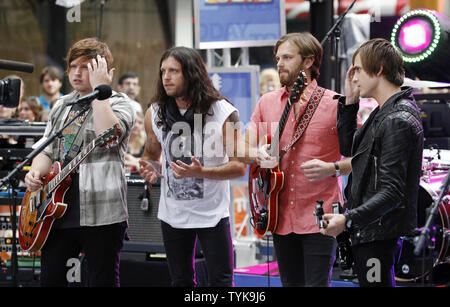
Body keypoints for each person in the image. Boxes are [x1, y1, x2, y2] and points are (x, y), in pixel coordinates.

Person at [239, 32, 352, 287]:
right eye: (278, 58)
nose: (279, 63)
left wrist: (333, 168)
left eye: (287, 57)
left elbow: (363, 157)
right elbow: (242, 146)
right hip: (279, 216)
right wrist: (256, 154)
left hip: (320, 216)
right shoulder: (267, 102)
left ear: (308, 61)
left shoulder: (335, 103)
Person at [23, 37, 136, 287]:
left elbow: (108, 137)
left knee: (102, 280)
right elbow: (48, 150)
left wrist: (101, 92)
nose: (76, 72)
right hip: (56, 212)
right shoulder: (62, 105)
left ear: (103, 70)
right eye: (73, 65)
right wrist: (35, 173)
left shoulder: (119, 103)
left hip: (103, 213)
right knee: (52, 280)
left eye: (85, 67)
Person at [138, 46, 246, 287]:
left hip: (213, 215)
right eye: (163, 70)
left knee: (221, 281)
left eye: (174, 71)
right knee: (181, 281)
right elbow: (151, 155)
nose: (166, 77)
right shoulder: (154, 113)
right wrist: (148, 167)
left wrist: (201, 172)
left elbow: (239, 167)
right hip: (173, 214)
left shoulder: (223, 112)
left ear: (192, 73)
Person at [320, 38, 424, 287]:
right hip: (371, 230)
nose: (353, 77)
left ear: (377, 68)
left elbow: (392, 192)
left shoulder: (397, 118)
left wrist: (348, 219)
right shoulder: (384, 112)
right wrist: (349, 102)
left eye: (357, 69)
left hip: (379, 231)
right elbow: (349, 149)